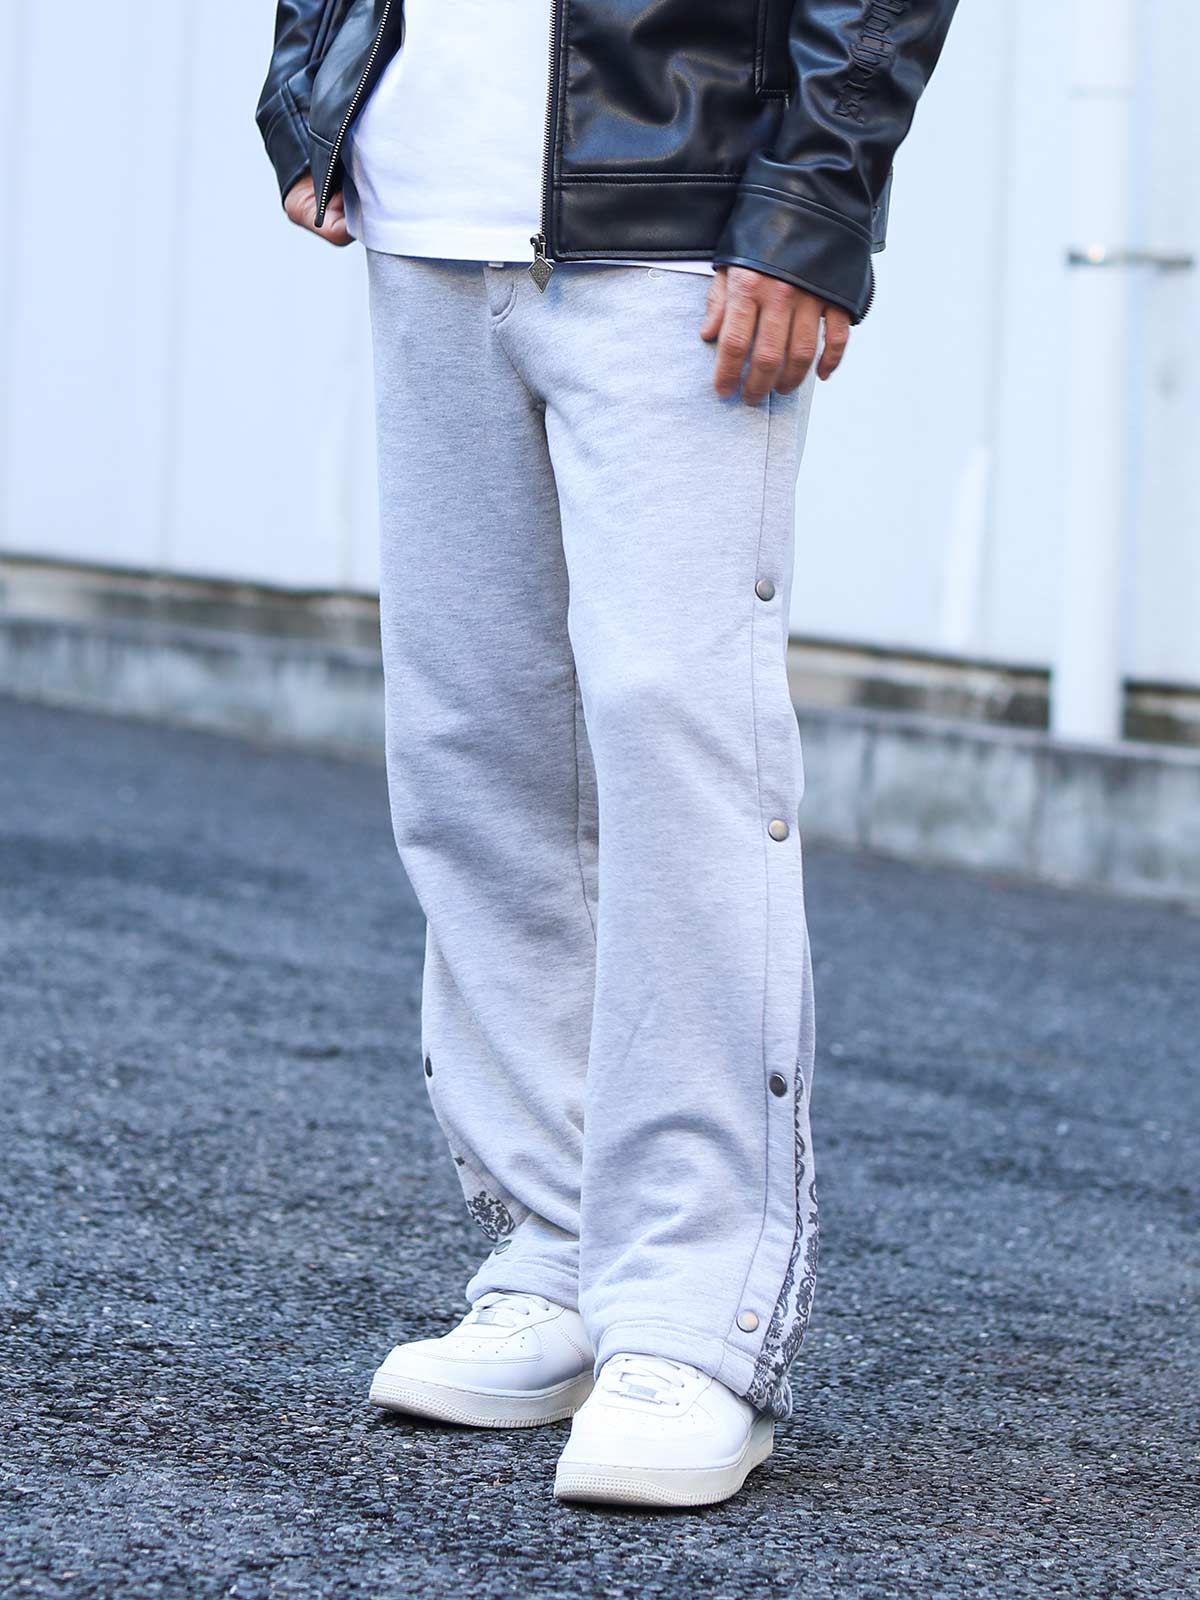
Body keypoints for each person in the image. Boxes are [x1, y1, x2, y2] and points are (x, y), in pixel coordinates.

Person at [256, 0, 958, 1510]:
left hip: (684, 217)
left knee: (673, 741)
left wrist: (813, 194)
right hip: (425, 213)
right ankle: (559, 1247)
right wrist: (315, 74)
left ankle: (694, 1318)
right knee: (472, 745)